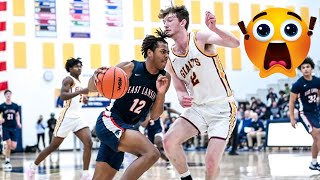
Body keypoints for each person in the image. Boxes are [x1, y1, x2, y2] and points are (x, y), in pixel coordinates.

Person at [158, 5, 239, 179]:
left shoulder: (200, 38)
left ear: (183, 22)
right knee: (169, 140)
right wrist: (181, 98)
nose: (165, 24)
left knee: (210, 163)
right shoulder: (170, 59)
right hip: (198, 109)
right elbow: (179, 89)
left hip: (222, 109)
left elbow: (235, 43)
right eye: (164, 21)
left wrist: (215, 28)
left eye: (170, 20)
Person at [88, 29, 170, 180]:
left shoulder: (164, 78)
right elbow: (92, 89)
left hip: (126, 127)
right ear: (150, 53)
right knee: (152, 153)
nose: (166, 56)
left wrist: (161, 93)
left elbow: (155, 115)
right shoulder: (129, 68)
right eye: (163, 51)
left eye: (168, 52)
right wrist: (96, 76)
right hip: (110, 121)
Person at [27, 58, 93, 179]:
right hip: (66, 118)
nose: (79, 68)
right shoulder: (68, 79)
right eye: (76, 66)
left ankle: (85, 174)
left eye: (80, 66)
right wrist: (81, 92)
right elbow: (63, 96)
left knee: (88, 142)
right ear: (70, 69)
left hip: (78, 118)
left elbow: (76, 97)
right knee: (53, 146)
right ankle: (33, 166)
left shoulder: (79, 82)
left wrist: (84, 98)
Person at [289, 57, 320, 171]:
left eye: (308, 67)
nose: (306, 69)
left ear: (312, 68)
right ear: (300, 70)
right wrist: (292, 118)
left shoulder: (317, 81)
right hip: (304, 113)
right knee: (317, 134)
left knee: (317, 139)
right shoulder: (298, 84)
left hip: (315, 111)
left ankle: (314, 162)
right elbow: (291, 102)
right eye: (303, 67)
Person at [0, 90, 21, 171]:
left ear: (11, 95)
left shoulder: (15, 105)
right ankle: (7, 161)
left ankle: (4, 149)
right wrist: (1, 119)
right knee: (8, 144)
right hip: (5, 127)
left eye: (9, 94)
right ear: (5, 96)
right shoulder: (2, 106)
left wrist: (18, 123)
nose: (8, 96)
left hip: (13, 127)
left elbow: (17, 115)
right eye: (7, 94)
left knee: (13, 146)